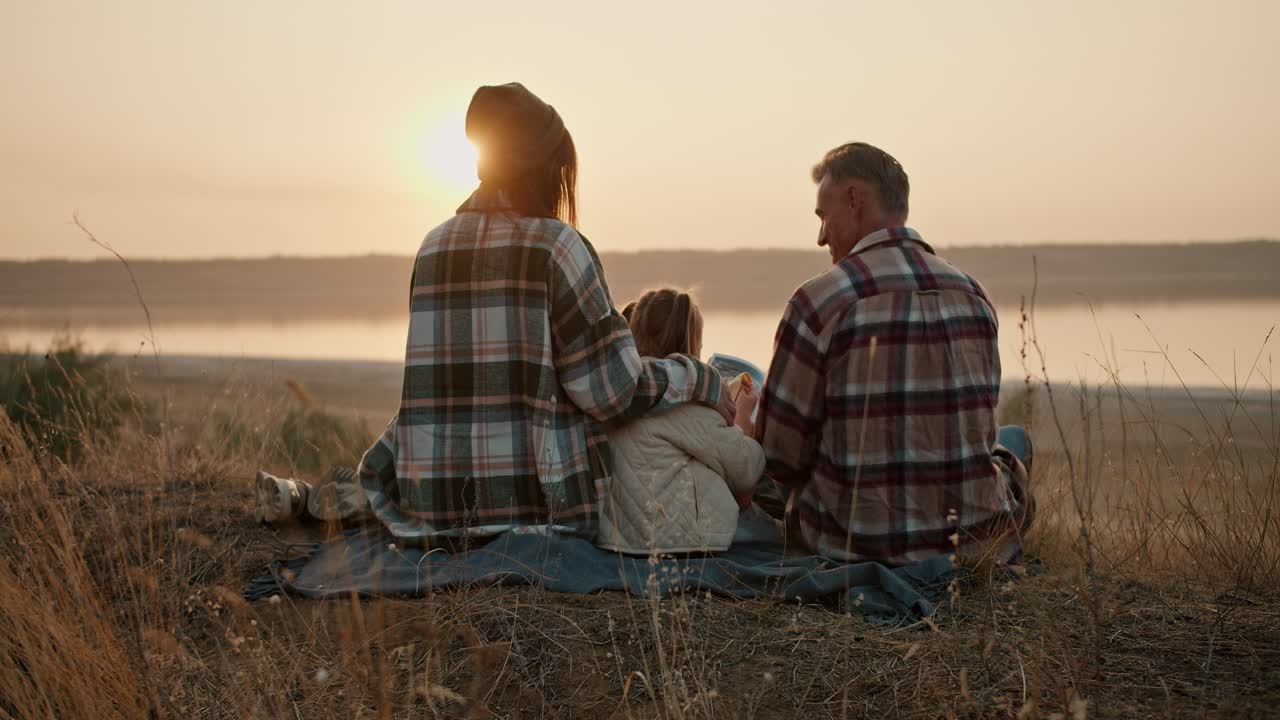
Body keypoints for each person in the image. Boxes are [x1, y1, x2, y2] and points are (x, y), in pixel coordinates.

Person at [255, 83, 735, 541]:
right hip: (538, 513)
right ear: (547, 168)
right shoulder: (558, 247)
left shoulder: (432, 246)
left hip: (431, 511)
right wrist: (699, 378)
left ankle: (321, 497)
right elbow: (616, 391)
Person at [754, 142, 1032, 566]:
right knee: (1012, 442)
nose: (821, 236)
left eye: (823, 216)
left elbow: (780, 460)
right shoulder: (974, 296)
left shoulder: (818, 303)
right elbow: (977, 431)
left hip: (855, 546)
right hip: (976, 544)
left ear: (854, 200)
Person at [595, 288, 764, 555]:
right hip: (678, 541)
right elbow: (746, 470)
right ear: (691, 343)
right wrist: (743, 419)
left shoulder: (623, 390)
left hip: (615, 538)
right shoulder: (687, 402)